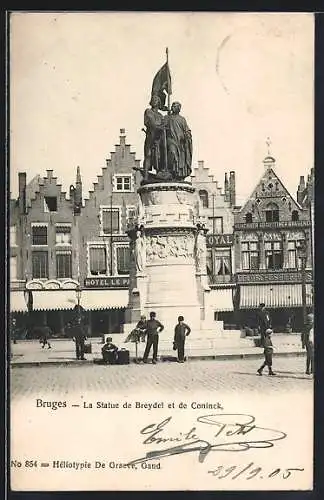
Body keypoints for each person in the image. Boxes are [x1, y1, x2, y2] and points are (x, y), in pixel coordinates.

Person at [165, 101, 192, 180]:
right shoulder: (168, 118)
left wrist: (186, 136)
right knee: (172, 152)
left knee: (181, 158)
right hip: (171, 140)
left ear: (179, 108)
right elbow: (163, 127)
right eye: (172, 106)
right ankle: (172, 172)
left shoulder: (182, 119)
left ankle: (178, 175)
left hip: (180, 142)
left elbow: (187, 131)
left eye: (175, 106)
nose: (172, 107)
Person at [143, 94, 166, 179]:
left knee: (158, 155)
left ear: (159, 103)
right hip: (151, 135)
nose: (154, 101)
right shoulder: (148, 111)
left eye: (156, 99)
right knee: (148, 155)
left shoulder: (161, 115)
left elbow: (164, 124)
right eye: (153, 99)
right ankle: (145, 176)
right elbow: (150, 122)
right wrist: (159, 127)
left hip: (159, 137)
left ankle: (158, 174)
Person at [302, 310, 314, 375]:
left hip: (308, 343)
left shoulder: (305, 326)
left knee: (310, 356)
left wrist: (303, 344)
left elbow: (302, 336)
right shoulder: (309, 326)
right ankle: (310, 369)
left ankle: (309, 369)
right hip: (310, 343)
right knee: (311, 356)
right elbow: (303, 335)